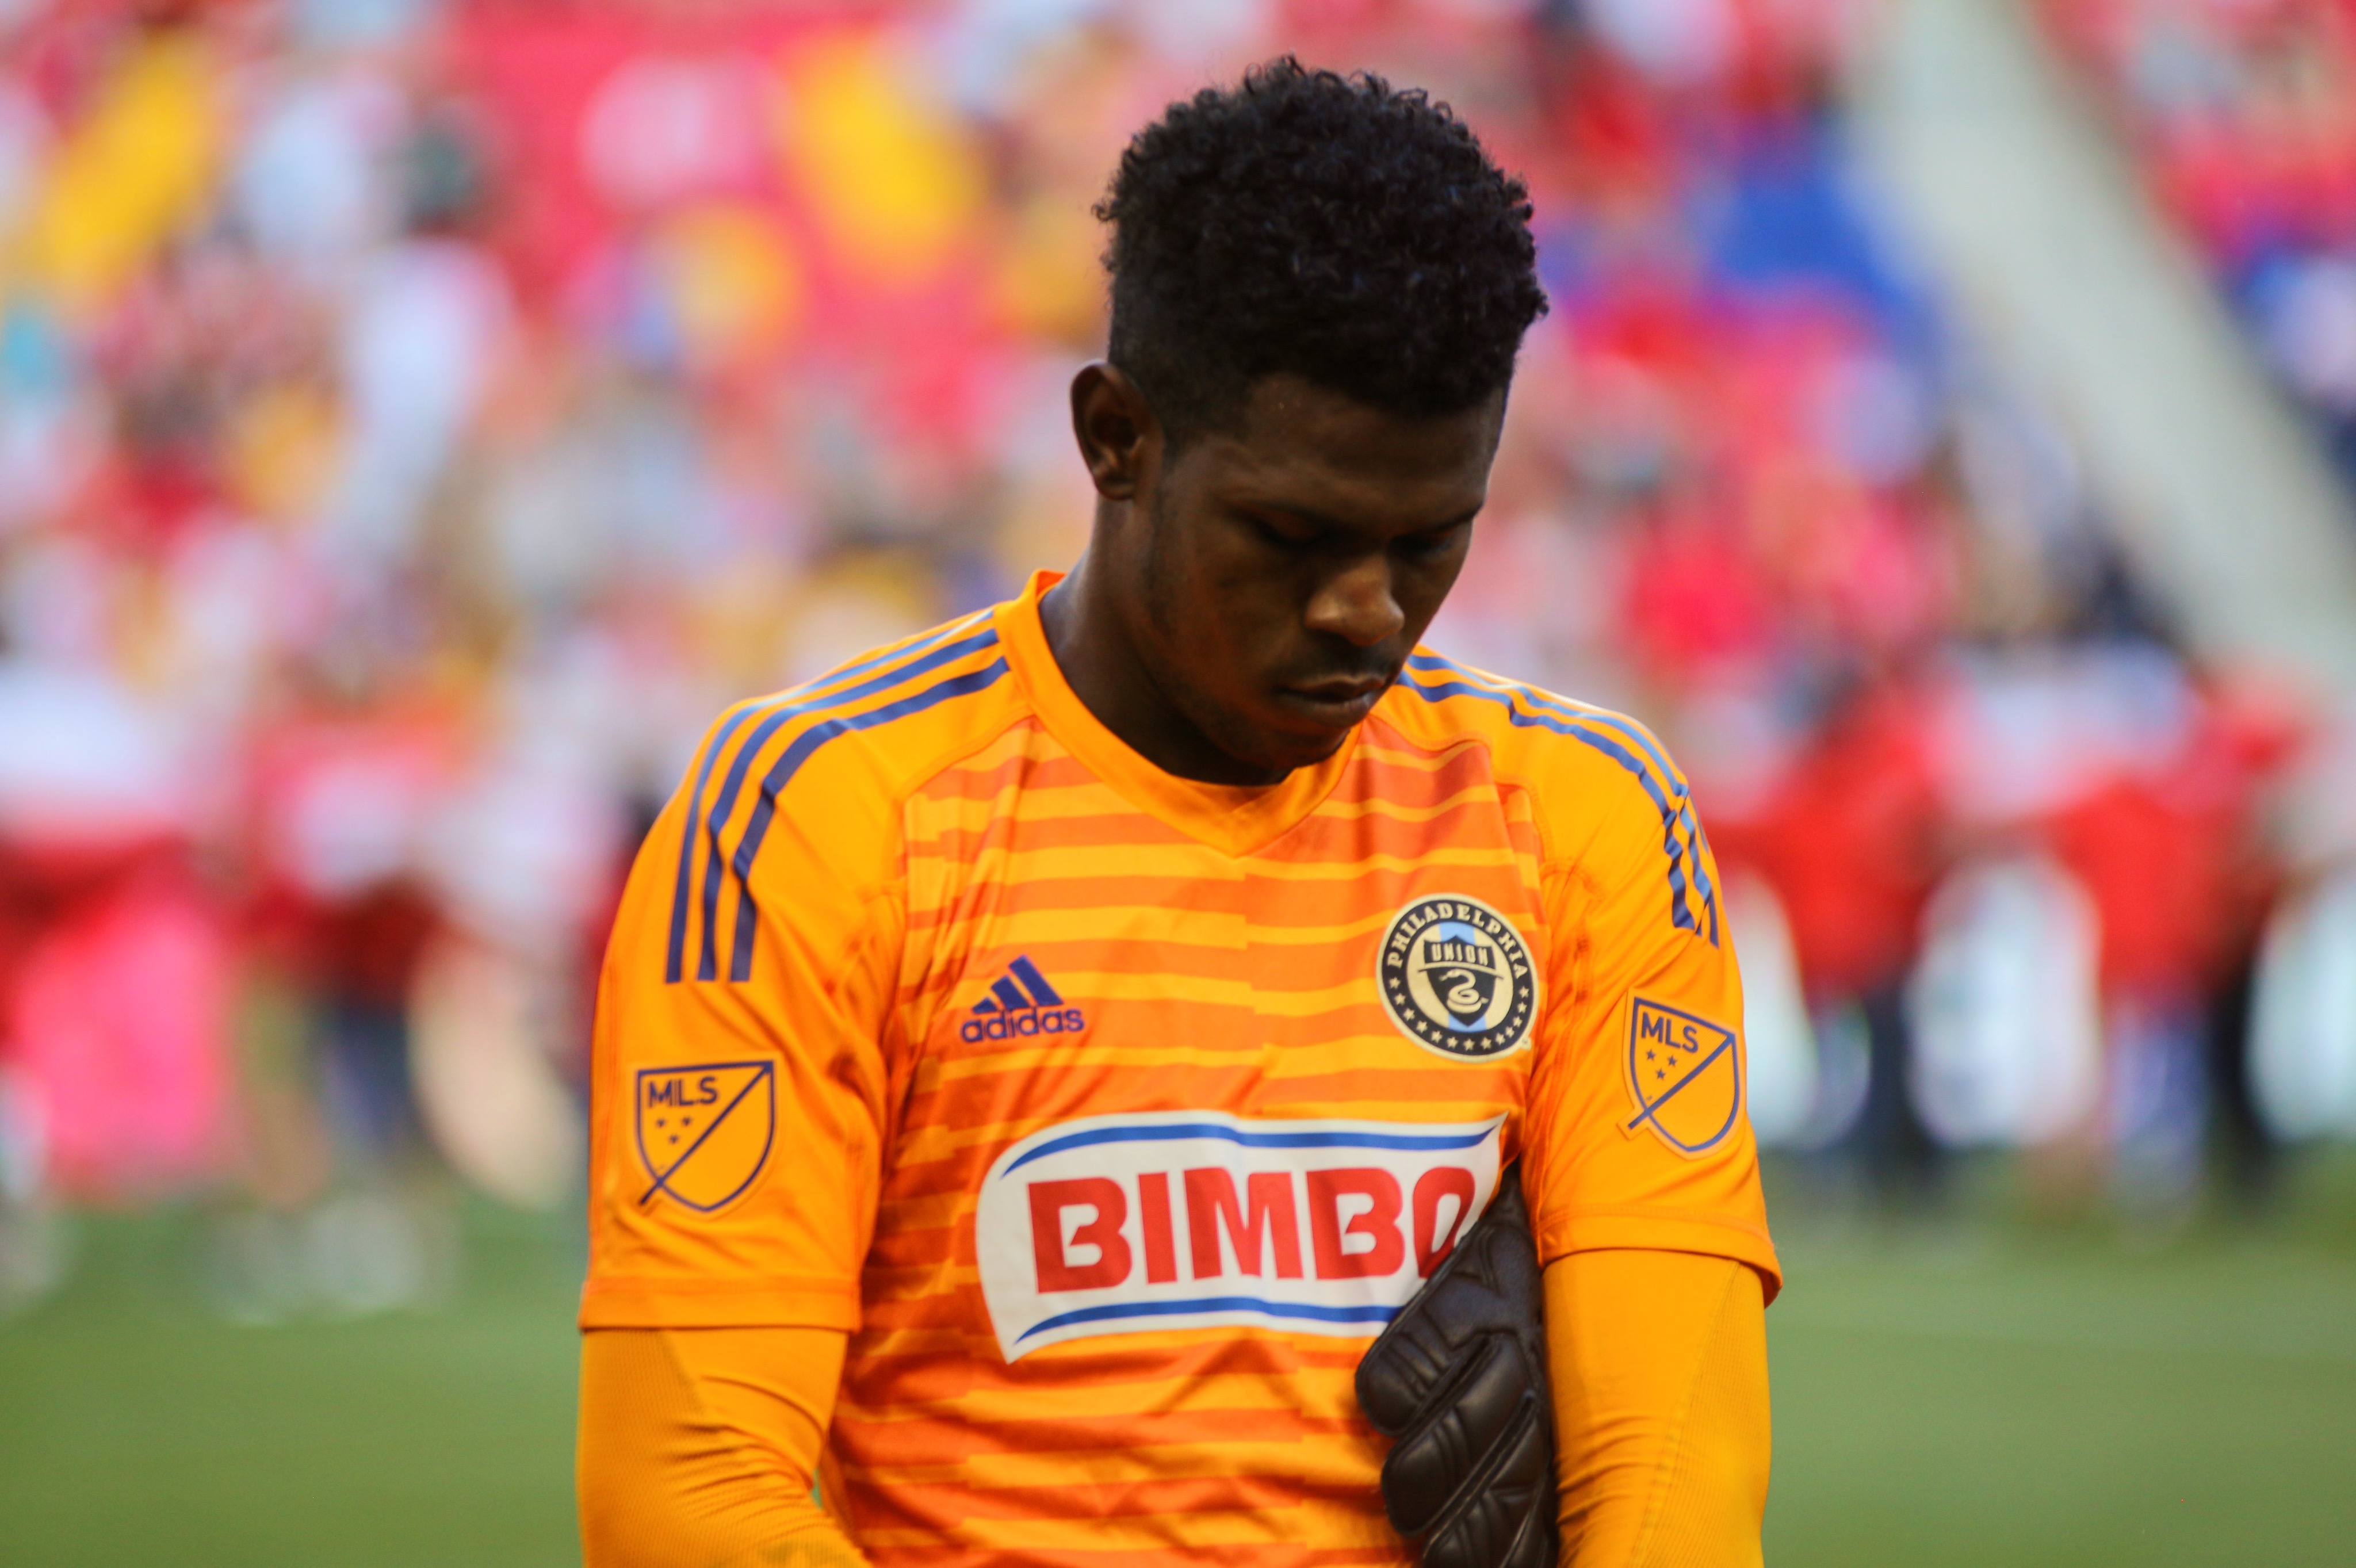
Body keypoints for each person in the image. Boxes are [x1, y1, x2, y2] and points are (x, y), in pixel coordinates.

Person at [577, 60, 1777, 1568]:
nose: (1366, 609)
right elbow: (685, 1498)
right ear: (1116, 439)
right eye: (1293, 533)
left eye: (1431, 539)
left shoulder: (1587, 819)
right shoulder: (819, 815)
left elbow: (1674, 1487)